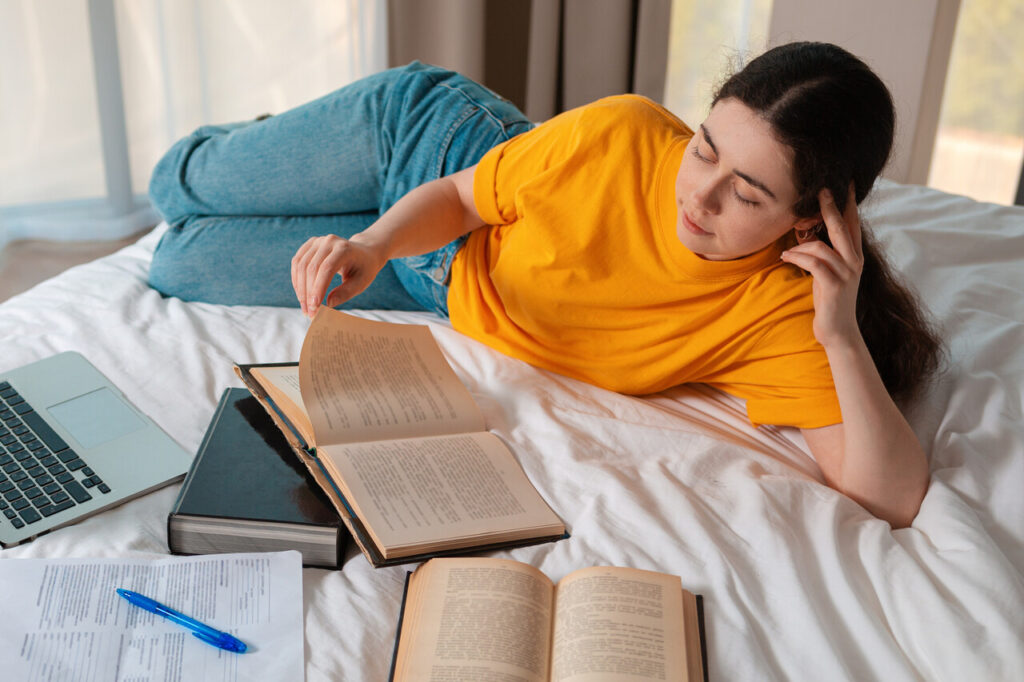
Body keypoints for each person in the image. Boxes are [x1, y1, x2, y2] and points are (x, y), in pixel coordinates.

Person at [147, 42, 942, 528]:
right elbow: (460, 197)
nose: (697, 196)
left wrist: (839, 331)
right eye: (705, 149)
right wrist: (373, 241)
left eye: (749, 193)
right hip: (427, 150)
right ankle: (270, 141)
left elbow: (892, 497)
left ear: (814, 217)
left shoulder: (781, 313)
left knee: (174, 263)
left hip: (439, 287)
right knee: (172, 188)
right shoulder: (624, 133)